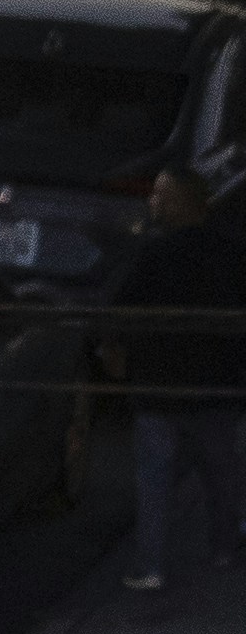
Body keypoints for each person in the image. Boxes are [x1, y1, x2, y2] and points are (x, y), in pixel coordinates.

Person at [105, 158, 245, 599]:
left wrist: (114, 349)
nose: (153, 203)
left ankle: (152, 566)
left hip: (158, 385)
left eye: (161, 196)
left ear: (181, 204)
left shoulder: (152, 254)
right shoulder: (229, 254)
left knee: (155, 480)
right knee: (220, 474)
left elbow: (119, 308)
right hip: (216, 385)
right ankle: (224, 549)